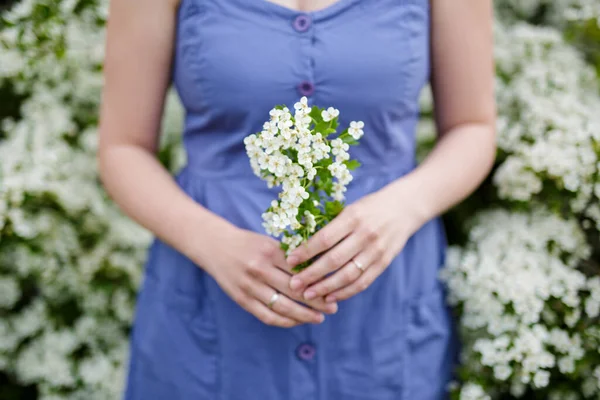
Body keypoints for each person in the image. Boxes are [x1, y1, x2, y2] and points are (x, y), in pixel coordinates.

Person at [97, 0, 496, 398]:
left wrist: (403, 208)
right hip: (214, 307)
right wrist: (211, 242)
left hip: (383, 306)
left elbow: (473, 126)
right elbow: (123, 148)